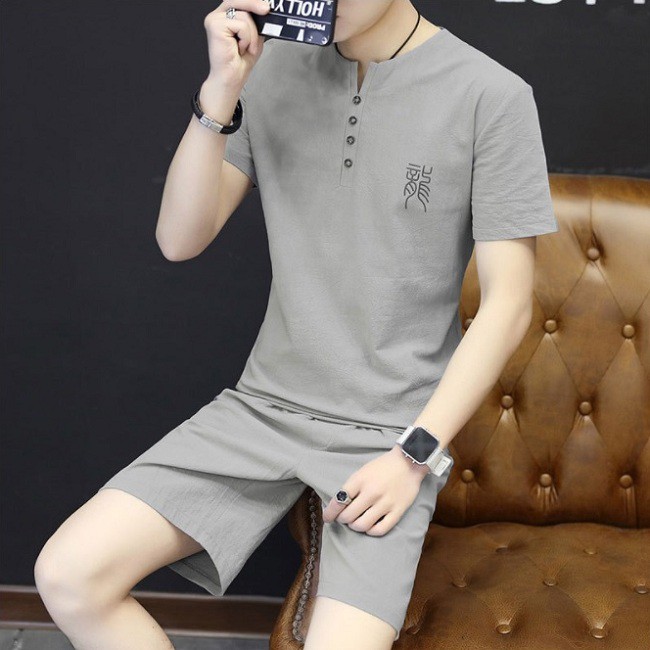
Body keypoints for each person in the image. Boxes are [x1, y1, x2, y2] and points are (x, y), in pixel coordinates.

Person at [34, 0, 559, 648]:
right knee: (69, 575)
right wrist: (222, 91)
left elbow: (509, 307)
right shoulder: (272, 69)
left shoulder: (491, 95)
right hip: (265, 407)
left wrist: (413, 456)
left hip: (389, 432)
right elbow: (179, 239)